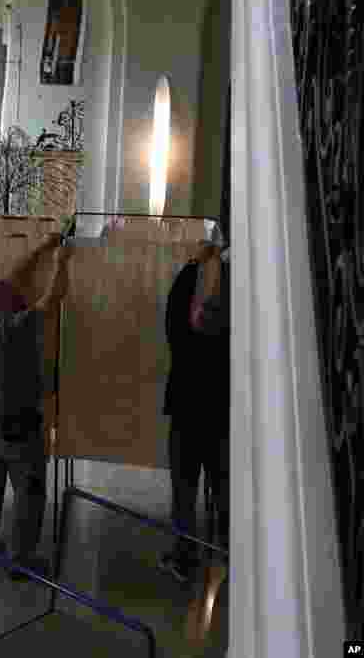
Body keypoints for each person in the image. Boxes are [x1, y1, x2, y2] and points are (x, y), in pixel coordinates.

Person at [0, 233, 72, 579]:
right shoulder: (21, 326)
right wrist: (60, 261)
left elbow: (11, 277)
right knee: (29, 493)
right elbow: (54, 297)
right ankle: (21, 559)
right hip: (19, 429)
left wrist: (42, 247)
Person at [160, 242, 231, 584]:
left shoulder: (184, 339)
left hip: (186, 427)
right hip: (219, 427)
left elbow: (174, 304)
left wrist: (195, 261)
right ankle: (231, 554)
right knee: (223, 493)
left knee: (184, 497)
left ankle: (184, 558)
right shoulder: (227, 345)